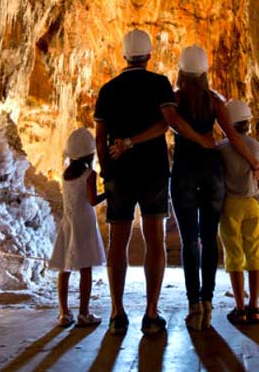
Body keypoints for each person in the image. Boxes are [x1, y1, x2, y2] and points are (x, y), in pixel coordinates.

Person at [93, 29, 215, 337]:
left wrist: (107, 171)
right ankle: (150, 313)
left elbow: (100, 137)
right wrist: (137, 141)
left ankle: (117, 313)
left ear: (124, 56)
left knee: (117, 241)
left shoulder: (108, 90)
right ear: (149, 56)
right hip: (153, 171)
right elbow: (168, 123)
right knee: (154, 239)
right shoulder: (160, 84)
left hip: (119, 173)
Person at [171, 45, 259, 332]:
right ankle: (208, 302)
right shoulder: (214, 102)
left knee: (190, 241)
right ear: (205, 73)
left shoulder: (174, 101)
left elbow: (170, 122)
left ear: (181, 72)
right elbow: (232, 136)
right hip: (211, 173)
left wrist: (194, 139)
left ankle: (194, 306)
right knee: (209, 239)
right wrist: (254, 162)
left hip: (185, 171)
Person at [217, 99, 259, 326]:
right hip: (252, 203)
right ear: (247, 122)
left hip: (230, 204)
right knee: (254, 254)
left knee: (234, 256)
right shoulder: (257, 146)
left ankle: (240, 308)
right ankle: (254, 307)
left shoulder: (221, 149)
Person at [48, 127, 106, 328]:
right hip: (85, 225)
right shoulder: (90, 174)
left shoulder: (65, 175)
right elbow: (92, 200)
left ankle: (64, 313)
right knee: (85, 269)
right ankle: (84, 313)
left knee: (64, 269)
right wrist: (109, 193)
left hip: (68, 222)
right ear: (90, 154)